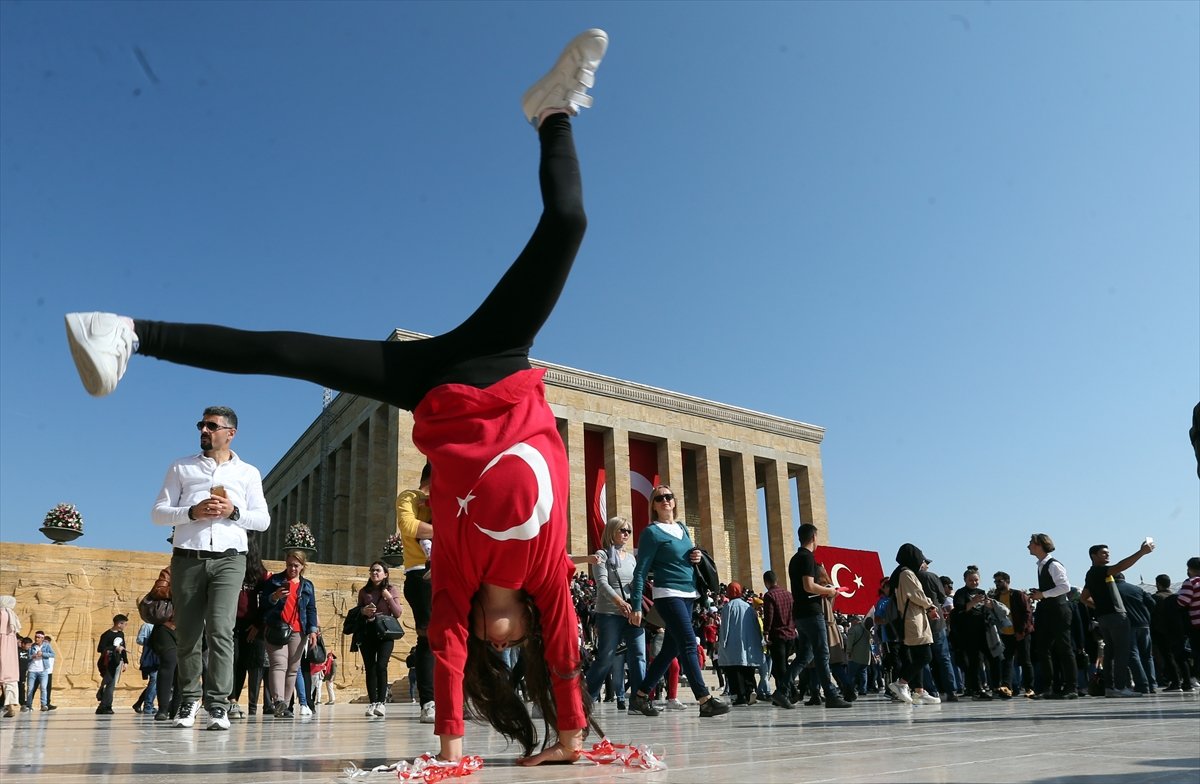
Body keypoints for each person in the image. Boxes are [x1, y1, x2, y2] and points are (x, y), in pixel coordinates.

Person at [63, 27, 608, 765]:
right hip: (502, 361)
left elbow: (444, 646)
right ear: (533, 631)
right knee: (570, 223)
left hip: (436, 389)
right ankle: (557, 113)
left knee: (284, 353)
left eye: (492, 647)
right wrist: (570, 736)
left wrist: (449, 749)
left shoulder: (459, 577)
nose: (497, 642)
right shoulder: (548, 573)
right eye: (515, 645)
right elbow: (570, 652)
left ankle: (122, 330)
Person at [145, 406, 271, 730]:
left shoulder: (248, 473)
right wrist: (192, 512)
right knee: (187, 634)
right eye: (201, 424)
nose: (204, 430)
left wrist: (233, 511)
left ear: (230, 433)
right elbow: (158, 512)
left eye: (212, 425)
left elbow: (262, 519)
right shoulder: (181, 467)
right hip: (188, 558)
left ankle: (218, 704)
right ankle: (189, 700)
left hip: (230, 559)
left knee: (221, 630)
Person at [627, 485, 730, 719]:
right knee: (688, 643)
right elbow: (641, 571)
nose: (665, 500)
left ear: (674, 502)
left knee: (669, 651)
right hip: (667, 594)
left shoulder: (682, 528)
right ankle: (704, 699)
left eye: (668, 497)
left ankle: (641, 697)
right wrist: (635, 605)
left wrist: (696, 556)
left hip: (689, 594)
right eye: (659, 498)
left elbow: (688, 556)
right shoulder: (651, 533)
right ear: (653, 505)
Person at [1078, 539, 1154, 697]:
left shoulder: (1090, 574)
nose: (1107, 555)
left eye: (1108, 553)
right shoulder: (1100, 571)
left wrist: (1100, 606)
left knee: (1110, 652)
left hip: (1104, 617)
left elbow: (1084, 597)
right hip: (1116, 617)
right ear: (1093, 556)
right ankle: (1120, 687)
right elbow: (1119, 566)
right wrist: (1141, 552)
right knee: (1122, 652)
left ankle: (1110, 687)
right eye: (1103, 553)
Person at [585, 516, 646, 712]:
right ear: (612, 531)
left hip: (631, 613)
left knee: (638, 655)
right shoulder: (601, 555)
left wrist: (635, 604)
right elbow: (602, 583)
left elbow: (638, 583)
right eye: (623, 530)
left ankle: (638, 700)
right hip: (610, 614)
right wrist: (619, 602)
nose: (627, 534)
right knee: (606, 658)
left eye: (628, 530)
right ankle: (585, 699)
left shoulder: (631, 558)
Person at [787, 524, 852, 709]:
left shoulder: (794, 559)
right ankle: (831, 695)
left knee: (805, 656)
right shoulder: (807, 557)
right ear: (814, 537)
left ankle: (782, 689)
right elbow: (808, 586)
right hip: (811, 612)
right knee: (822, 654)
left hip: (800, 612)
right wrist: (829, 591)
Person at [396, 463, 435, 724]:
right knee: (428, 636)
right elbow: (409, 526)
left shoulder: (450, 499)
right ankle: (429, 702)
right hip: (421, 573)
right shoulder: (410, 496)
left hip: (450, 570)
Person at [260, 550, 320, 719]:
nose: (292, 568)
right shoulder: (275, 581)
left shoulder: (307, 585)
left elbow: (311, 609)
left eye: (296, 565)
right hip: (276, 627)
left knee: (293, 669)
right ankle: (278, 700)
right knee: (278, 664)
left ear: (302, 566)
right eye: (289, 565)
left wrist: (313, 630)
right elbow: (263, 603)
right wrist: (275, 596)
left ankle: (285, 706)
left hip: (298, 631)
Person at [886, 544, 940, 705]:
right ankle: (901, 683)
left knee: (917, 656)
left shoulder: (900, 573)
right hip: (913, 618)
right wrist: (930, 606)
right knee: (925, 655)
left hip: (912, 616)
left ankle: (919, 691)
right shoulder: (906, 573)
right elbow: (917, 594)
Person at [1027, 533, 1077, 699]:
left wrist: (1043, 595)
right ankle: (1049, 687)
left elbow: (1065, 587)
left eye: (1031, 543)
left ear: (1039, 545)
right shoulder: (1041, 565)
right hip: (1048, 610)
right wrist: (1041, 594)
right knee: (1043, 648)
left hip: (1059, 610)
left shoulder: (1053, 565)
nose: (1028, 546)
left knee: (1064, 647)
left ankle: (1071, 687)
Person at [357, 561, 404, 717]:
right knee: (370, 667)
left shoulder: (391, 590)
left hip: (385, 632)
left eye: (378, 570)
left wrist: (388, 597)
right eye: (372, 571)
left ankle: (381, 703)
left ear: (385, 573)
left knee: (381, 666)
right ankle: (372, 702)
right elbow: (358, 611)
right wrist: (364, 611)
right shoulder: (364, 592)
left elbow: (397, 613)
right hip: (368, 631)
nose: (374, 573)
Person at [229, 535, 269, 719]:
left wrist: (258, 625)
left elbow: (267, 601)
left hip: (250, 625)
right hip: (230, 624)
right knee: (233, 662)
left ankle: (249, 705)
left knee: (249, 664)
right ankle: (231, 700)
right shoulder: (229, 565)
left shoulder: (259, 572)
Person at [951, 566, 999, 700]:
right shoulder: (961, 593)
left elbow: (987, 610)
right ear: (965, 580)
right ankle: (976, 688)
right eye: (971, 580)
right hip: (969, 632)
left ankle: (996, 686)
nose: (974, 583)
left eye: (976, 580)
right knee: (974, 661)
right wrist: (973, 602)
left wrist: (989, 605)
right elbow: (959, 610)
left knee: (994, 657)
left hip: (984, 630)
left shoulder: (982, 592)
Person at [718, 582, 764, 705]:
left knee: (735, 670)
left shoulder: (728, 607)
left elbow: (724, 628)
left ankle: (740, 696)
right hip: (748, 644)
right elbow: (755, 627)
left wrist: (722, 644)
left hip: (733, 645)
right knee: (747, 668)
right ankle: (750, 691)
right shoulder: (748, 607)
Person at [760, 570, 796, 709]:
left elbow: (769, 615)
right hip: (790, 634)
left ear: (766, 582)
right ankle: (782, 695)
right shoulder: (788, 594)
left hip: (778, 636)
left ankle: (790, 692)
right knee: (781, 667)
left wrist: (766, 632)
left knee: (779, 668)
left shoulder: (770, 595)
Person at [96, 614, 129, 715]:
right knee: (110, 683)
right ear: (119, 624)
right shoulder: (106, 635)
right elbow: (100, 649)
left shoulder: (121, 634)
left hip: (117, 662)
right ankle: (106, 706)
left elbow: (123, 647)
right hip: (108, 662)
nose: (125, 626)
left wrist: (126, 661)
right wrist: (114, 648)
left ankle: (103, 705)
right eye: (124, 624)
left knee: (111, 683)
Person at [131, 621, 158, 715]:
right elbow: (140, 640)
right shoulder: (148, 626)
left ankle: (139, 703)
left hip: (160, 657)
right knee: (154, 680)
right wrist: (153, 640)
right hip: (151, 657)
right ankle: (148, 705)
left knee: (156, 682)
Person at [0, 596, 20, 718]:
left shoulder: (2, 613)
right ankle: (10, 706)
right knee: (9, 677)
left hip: (2, 643)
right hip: (10, 646)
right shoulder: (12, 614)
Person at [24, 630, 53, 712]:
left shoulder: (47, 646)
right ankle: (29, 705)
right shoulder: (32, 646)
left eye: (38, 637)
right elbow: (27, 656)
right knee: (30, 688)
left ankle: (44, 705)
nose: (36, 639)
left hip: (43, 670)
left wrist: (43, 654)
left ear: (42, 638)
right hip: (32, 670)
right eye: (36, 637)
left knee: (43, 688)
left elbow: (52, 654)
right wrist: (32, 656)